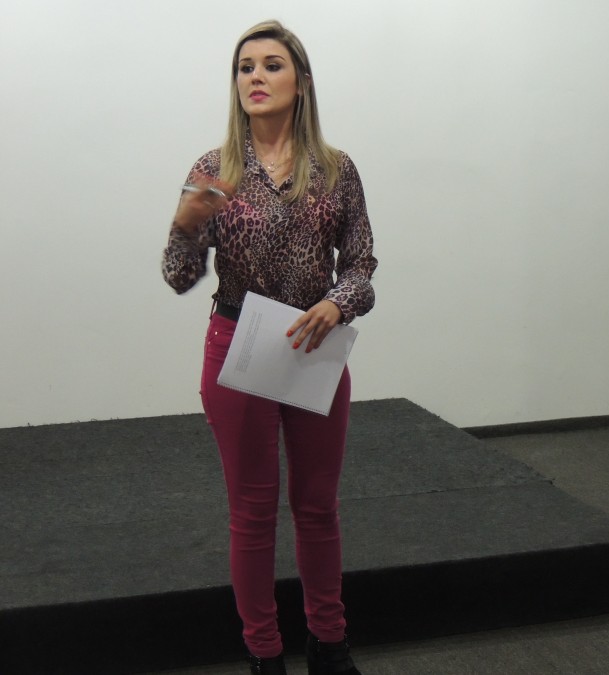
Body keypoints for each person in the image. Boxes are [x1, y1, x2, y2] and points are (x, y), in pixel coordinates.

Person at [162, 20, 376, 675]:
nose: (255, 76)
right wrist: (184, 227)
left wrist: (340, 300)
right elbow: (179, 275)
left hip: (314, 349)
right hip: (240, 347)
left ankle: (329, 644)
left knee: (317, 507)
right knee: (252, 512)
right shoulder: (215, 170)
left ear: (301, 82)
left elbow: (361, 265)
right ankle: (264, 653)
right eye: (244, 66)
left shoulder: (335, 170)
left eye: (271, 65)